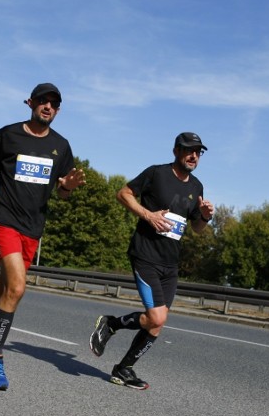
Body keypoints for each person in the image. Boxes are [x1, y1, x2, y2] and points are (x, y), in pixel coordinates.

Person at [0, 83, 85, 390]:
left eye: (54, 104)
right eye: (43, 101)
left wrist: (68, 185)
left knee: (5, 291)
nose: (48, 106)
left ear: (58, 110)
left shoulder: (61, 145)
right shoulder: (9, 134)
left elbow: (63, 192)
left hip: (32, 228)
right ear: (31, 102)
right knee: (17, 287)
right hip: (2, 218)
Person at [88, 132, 215, 390]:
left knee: (157, 322)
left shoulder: (196, 187)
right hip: (146, 255)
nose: (193, 156)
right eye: (189, 150)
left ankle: (123, 368)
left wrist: (204, 217)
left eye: (198, 152)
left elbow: (198, 228)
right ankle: (111, 324)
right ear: (176, 151)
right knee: (156, 318)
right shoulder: (156, 174)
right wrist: (148, 215)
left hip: (171, 263)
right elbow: (123, 194)